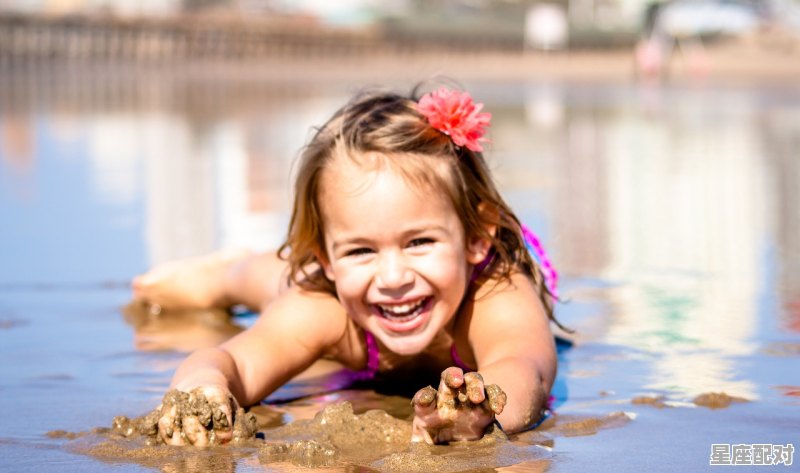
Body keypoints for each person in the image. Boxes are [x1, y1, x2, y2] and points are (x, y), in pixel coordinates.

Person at [132, 84, 562, 446]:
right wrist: (202, 389)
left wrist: (484, 405)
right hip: (311, 285)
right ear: (327, 258)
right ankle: (225, 271)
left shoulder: (495, 292)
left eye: (419, 242)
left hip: (454, 276)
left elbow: (526, 369)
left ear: (474, 237)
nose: (393, 278)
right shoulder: (325, 304)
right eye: (361, 250)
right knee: (268, 281)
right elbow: (235, 363)